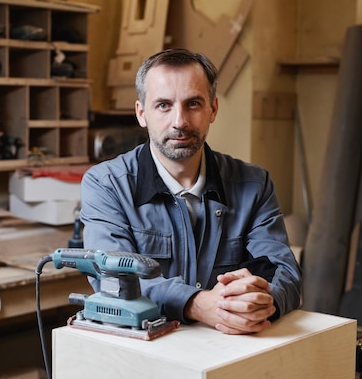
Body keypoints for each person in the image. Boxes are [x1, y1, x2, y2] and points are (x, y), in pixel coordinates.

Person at [80, 49, 302, 335]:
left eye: (193, 104)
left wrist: (263, 301)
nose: (179, 121)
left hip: (227, 345)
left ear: (212, 110)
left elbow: (283, 271)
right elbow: (114, 280)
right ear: (141, 113)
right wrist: (196, 304)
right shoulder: (106, 185)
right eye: (163, 105)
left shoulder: (254, 184)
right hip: (146, 350)